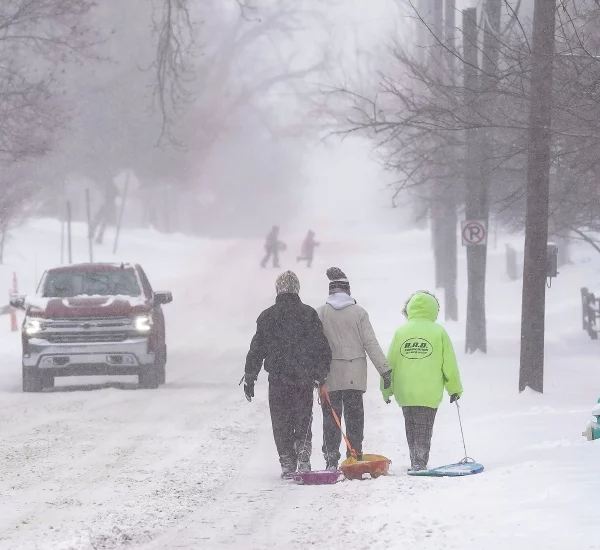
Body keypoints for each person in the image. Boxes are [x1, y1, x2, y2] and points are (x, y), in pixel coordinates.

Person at [242, 271, 332, 478]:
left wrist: (250, 376)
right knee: (303, 416)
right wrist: (320, 373)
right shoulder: (308, 314)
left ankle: (287, 461)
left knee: (280, 420)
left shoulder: (267, 316)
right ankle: (303, 453)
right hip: (303, 378)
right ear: (297, 289)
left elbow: (257, 349)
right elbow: (322, 347)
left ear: (278, 290)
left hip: (278, 379)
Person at [317, 267, 392, 470]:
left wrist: (314, 372)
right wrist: (384, 369)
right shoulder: (359, 313)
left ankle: (331, 457)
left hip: (330, 374)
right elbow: (370, 343)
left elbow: (315, 344)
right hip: (355, 374)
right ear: (348, 290)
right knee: (354, 415)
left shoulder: (321, 313)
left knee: (331, 417)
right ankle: (355, 453)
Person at [382, 291, 463, 472]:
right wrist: (454, 388)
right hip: (429, 390)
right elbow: (449, 364)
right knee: (424, 427)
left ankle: (415, 460)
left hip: (405, 390)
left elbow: (390, 363)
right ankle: (420, 461)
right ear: (434, 309)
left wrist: (386, 389)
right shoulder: (439, 332)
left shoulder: (401, 332)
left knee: (410, 425)